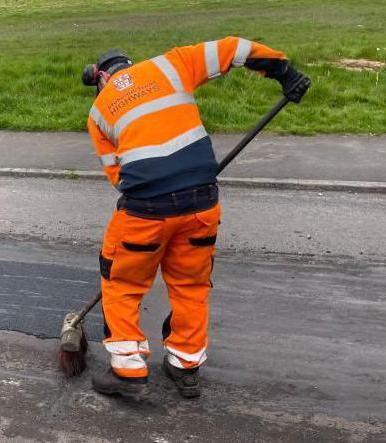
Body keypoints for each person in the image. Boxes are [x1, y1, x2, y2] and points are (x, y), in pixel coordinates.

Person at [83, 37, 310, 399]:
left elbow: (117, 177)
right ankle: (185, 366)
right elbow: (235, 47)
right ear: (131, 64)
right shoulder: (169, 65)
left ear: (101, 78)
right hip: (202, 202)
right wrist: (285, 72)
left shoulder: (98, 112)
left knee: (122, 282)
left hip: (146, 211)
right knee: (190, 286)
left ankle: (128, 370)